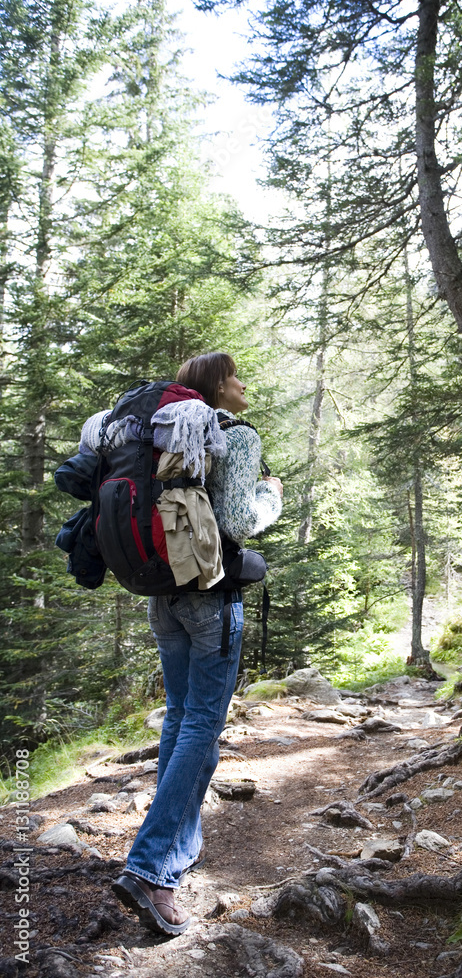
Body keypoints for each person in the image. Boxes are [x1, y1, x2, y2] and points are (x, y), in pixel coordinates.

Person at [112, 352, 283, 935]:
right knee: (201, 726)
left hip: (165, 595)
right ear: (215, 386)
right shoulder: (232, 435)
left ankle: (174, 853)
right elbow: (237, 521)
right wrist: (272, 497)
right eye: (235, 376)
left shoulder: (160, 432)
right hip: (212, 595)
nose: (243, 384)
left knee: (181, 720)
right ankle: (151, 869)